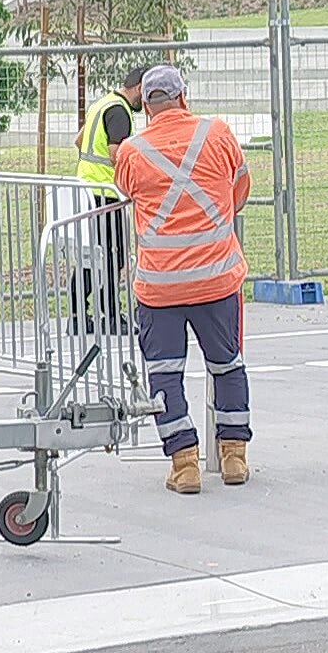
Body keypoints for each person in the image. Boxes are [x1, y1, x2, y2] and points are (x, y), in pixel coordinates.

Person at [113, 64, 252, 494]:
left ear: (146, 107)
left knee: (165, 374)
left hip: (161, 287)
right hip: (216, 279)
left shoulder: (133, 152)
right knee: (227, 365)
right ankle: (233, 457)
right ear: (183, 97)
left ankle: (185, 463)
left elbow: (128, 196)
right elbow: (241, 189)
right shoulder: (218, 134)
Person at [71, 66, 149, 324]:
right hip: (106, 194)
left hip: (84, 191)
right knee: (113, 255)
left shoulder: (102, 103)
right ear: (139, 88)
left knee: (89, 255)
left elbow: (79, 141)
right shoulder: (120, 112)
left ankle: (78, 313)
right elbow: (118, 155)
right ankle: (112, 313)